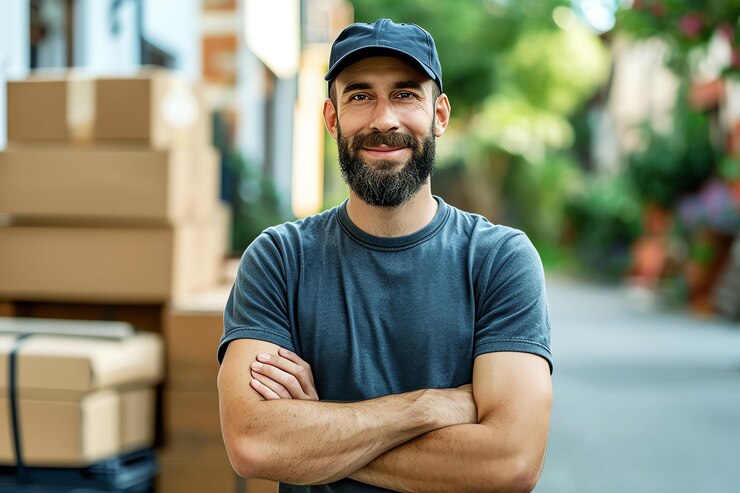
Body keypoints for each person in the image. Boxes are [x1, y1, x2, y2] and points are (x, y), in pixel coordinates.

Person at [217, 18, 553, 493]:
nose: (383, 120)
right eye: (359, 96)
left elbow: (510, 462)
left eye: (405, 94)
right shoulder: (279, 259)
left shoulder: (499, 260)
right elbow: (252, 443)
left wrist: (315, 431)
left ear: (439, 114)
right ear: (332, 119)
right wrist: (428, 408)